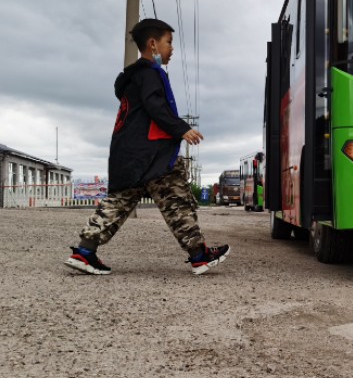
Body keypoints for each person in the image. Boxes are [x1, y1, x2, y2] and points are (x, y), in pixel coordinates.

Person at [64, 18, 229, 276]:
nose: (171, 49)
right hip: (154, 154)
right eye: (168, 42)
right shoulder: (152, 74)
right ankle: (199, 256)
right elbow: (156, 107)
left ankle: (84, 252)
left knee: (118, 203)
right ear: (153, 44)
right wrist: (181, 129)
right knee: (178, 201)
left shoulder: (131, 78)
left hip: (128, 155)